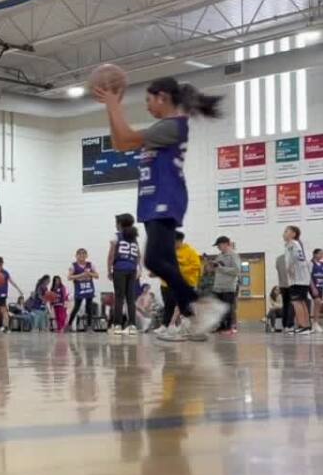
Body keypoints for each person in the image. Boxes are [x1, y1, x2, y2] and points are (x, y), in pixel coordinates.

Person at [94, 75, 226, 341]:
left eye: (148, 99)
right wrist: (110, 108)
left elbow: (126, 137)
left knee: (154, 261)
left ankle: (201, 305)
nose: (146, 105)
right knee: (167, 263)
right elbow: (120, 143)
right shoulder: (164, 127)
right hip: (154, 200)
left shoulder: (172, 126)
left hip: (164, 198)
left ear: (162, 97)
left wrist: (113, 104)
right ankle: (191, 319)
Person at [107, 213, 141, 335]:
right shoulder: (134, 238)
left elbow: (111, 255)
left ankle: (117, 325)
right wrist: (139, 269)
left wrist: (109, 270)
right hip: (132, 269)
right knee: (131, 298)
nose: (115, 225)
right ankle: (132, 326)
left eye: (116, 223)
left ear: (120, 224)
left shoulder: (117, 236)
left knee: (119, 297)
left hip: (120, 268)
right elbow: (139, 255)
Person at [209, 236, 241, 334]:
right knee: (219, 308)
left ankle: (229, 328)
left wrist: (221, 268)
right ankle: (221, 327)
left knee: (228, 308)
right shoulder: (219, 256)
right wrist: (213, 267)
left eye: (219, 245)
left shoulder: (233, 256)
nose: (218, 247)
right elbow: (217, 269)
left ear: (226, 244)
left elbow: (236, 271)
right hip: (218, 287)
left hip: (228, 287)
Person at [284, 225, 312, 335]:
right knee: (302, 301)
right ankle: (306, 326)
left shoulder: (292, 243)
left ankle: (303, 326)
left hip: (297, 278)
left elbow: (296, 257)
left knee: (296, 302)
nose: (284, 233)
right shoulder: (295, 244)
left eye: (287, 231)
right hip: (302, 278)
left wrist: (290, 267)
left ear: (293, 234)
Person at [65, 249, 99, 333]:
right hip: (79, 289)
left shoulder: (90, 265)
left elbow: (97, 275)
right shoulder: (73, 266)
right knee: (76, 307)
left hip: (88, 288)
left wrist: (89, 274)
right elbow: (69, 277)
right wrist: (81, 275)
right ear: (76, 256)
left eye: (83, 254)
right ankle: (69, 325)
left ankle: (89, 326)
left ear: (86, 256)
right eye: (80, 254)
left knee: (89, 307)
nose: (82, 256)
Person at [0, 257, 24, 333]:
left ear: (0, 263)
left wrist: (19, 290)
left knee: (4, 311)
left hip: (2, 295)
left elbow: (12, 282)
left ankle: (6, 327)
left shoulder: (5, 273)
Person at [275, 251, 292, 334]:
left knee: (285, 305)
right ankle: (290, 325)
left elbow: (278, 270)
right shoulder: (292, 258)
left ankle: (285, 325)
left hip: (282, 285)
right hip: (291, 284)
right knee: (291, 305)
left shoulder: (279, 259)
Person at [312, 248, 323, 333]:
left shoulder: (322, 264)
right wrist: (313, 287)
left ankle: (315, 323)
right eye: (320, 253)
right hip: (313, 286)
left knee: (318, 304)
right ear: (315, 254)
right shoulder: (311, 263)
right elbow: (309, 276)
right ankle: (315, 323)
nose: (322, 255)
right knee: (317, 302)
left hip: (320, 286)